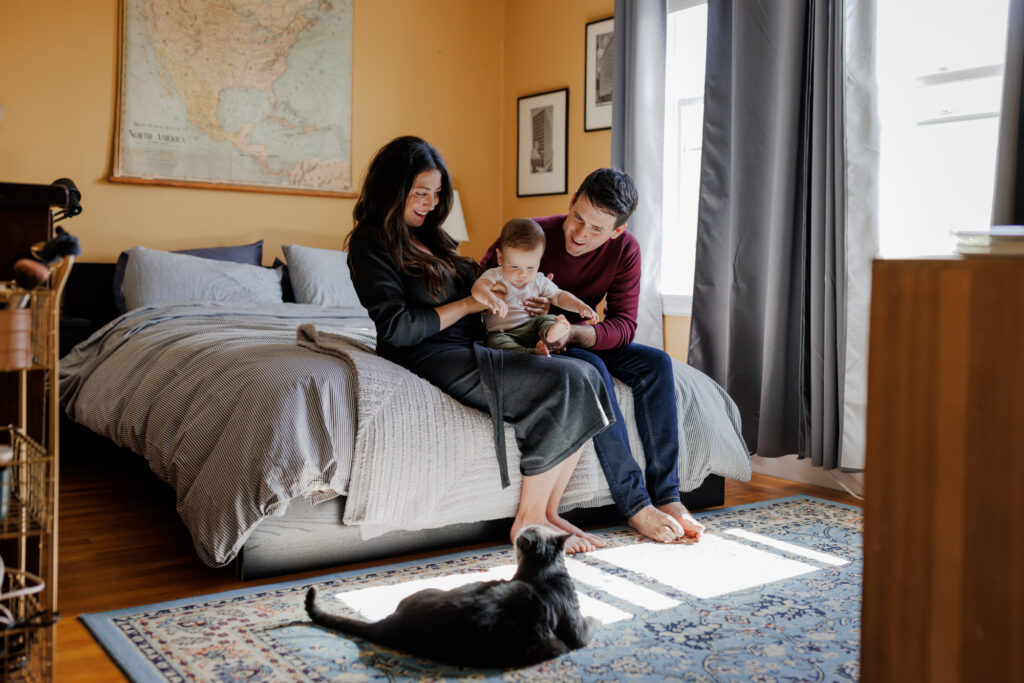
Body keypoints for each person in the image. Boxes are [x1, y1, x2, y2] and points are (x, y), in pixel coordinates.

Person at [345, 136, 614, 554]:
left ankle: (550, 513)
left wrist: (524, 308)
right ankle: (527, 523)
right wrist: (468, 302)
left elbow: (488, 291)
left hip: (476, 343)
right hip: (429, 353)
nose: (430, 203)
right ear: (392, 188)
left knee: (588, 373)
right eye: (420, 193)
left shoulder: (434, 238)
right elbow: (397, 328)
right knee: (567, 382)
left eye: (436, 194)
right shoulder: (370, 242)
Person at [481, 168, 706, 544]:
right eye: (578, 218)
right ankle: (635, 504)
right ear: (571, 202)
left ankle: (667, 496)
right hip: (533, 343)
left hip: (580, 337)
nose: (580, 234)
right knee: (596, 370)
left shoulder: (625, 250)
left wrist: (577, 332)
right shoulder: (530, 236)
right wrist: (515, 304)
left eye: (597, 230)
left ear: (617, 231)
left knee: (657, 363)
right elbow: (480, 292)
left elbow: (623, 326)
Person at [472, 218, 597, 356]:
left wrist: (579, 305)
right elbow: (478, 287)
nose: (522, 274)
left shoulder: (538, 280)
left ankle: (554, 332)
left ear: (539, 260)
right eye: (514, 266)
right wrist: (490, 299)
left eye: (530, 267)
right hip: (502, 333)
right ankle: (532, 353)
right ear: (500, 258)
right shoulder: (496, 275)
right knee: (494, 343)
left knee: (548, 319)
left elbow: (559, 296)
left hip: (532, 328)